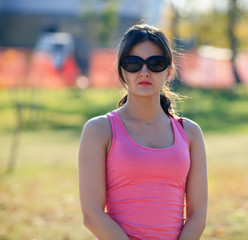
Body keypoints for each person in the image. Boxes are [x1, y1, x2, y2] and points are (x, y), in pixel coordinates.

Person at [78, 23, 208, 240]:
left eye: (155, 63)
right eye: (133, 63)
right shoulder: (99, 130)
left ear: (169, 71)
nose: (144, 72)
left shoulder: (191, 133)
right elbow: (92, 215)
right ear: (121, 71)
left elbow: (198, 216)